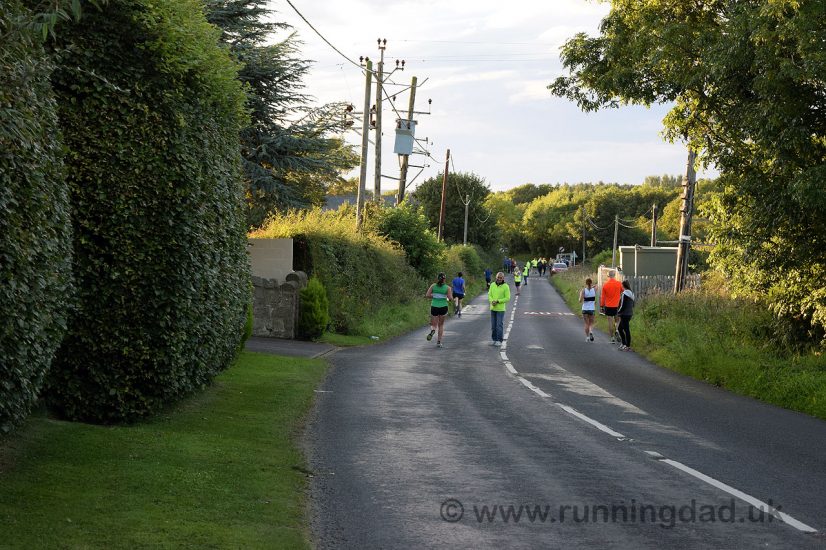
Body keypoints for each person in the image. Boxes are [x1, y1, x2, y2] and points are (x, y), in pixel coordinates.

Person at [425, 272, 453, 348]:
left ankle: (433, 330)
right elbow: (450, 298)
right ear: (444, 279)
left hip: (434, 306)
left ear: (437, 278)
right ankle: (439, 342)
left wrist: (434, 296)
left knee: (433, 324)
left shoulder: (433, 286)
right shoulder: (448, 288)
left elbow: (427, 295)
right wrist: (446, 298)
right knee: (441, 325)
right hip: (443, 307)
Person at [600, 270, 623, 344]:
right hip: (617, 305)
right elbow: (622, 291)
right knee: (618, 320)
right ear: (614, 275)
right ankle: (617, 330)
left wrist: (601, 306)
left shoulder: (605, 285)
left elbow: (603, 297)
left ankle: (612, 338)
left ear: (608, 276)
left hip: (608, 306)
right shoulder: (619, 284)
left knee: (610, 322)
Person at [488, 271, 510, 347]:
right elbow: (489, 295)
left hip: (500, 309)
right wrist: (492, 301)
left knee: (499, 325)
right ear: (496, 277)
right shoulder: (492, 285)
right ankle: (494, 339)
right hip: (493, 308)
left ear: (503, 278)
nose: (499, 279)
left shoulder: (506, 286)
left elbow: (507, 298)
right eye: (498, 277)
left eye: (501, 278)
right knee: (493, 326)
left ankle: (499, 340)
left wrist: (498, 301)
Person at [617, 280, 635, 351]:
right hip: (629, 314)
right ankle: (624, 344)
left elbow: (622, 305)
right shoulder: (631, 293)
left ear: (623, 286)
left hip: (624, 314)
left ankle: (627, 346)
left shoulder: (624, 294)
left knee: (626, 330)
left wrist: (618, 312)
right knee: (620, 329)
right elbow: (633, 304)